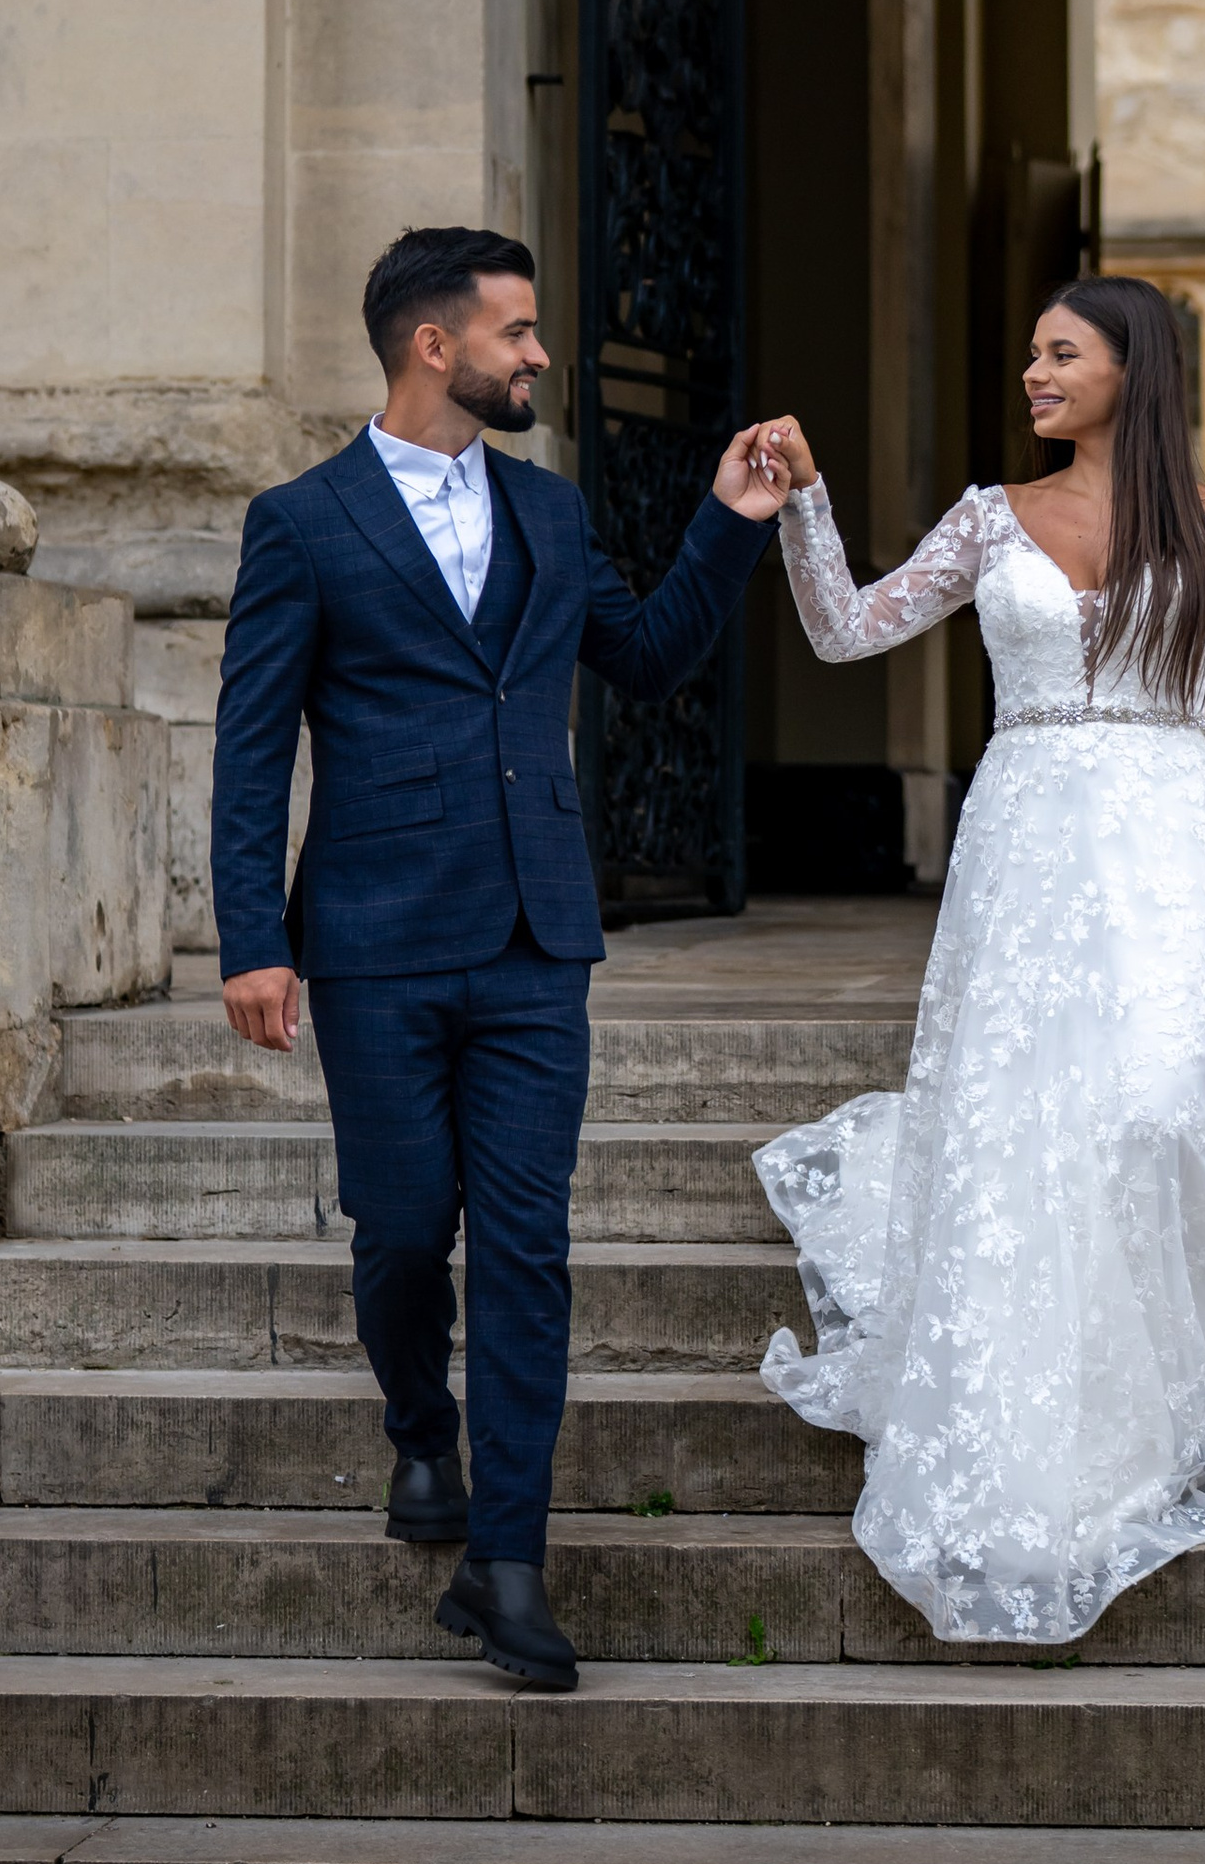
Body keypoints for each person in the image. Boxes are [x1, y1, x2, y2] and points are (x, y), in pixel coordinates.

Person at [749, 276, 1205, 1645]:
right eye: (1033, 354)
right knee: (1042, 1113)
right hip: (1028, 837)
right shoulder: (990, 516)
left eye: (1062, 354)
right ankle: (1078, 1399)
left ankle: (1200, 1348)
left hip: (1176, 831)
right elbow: (846, 629)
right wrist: (805, 506)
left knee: (1163, 1090)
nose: (1035, 375)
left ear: (1133, 368)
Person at [210, 227, 782, 1694]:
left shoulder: (552, 510)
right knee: (405, 1230)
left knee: (526, 1245)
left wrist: (730, 520)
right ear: (434, 345)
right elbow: (252, 746)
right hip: (375, 939)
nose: (538, 354)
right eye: (516, 332)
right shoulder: (303, 522)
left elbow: (646, 657)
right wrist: (253, 940)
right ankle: (422, 1437)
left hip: (538, 936)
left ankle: (508, 1561)